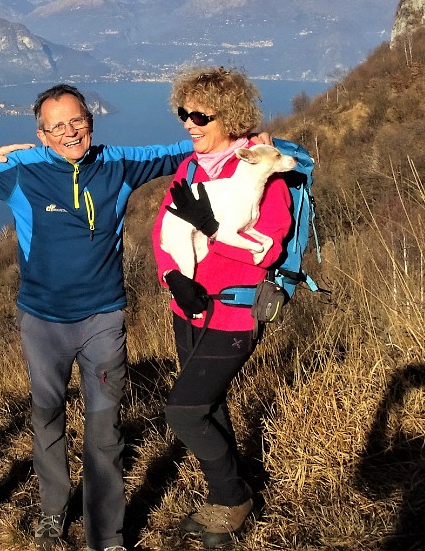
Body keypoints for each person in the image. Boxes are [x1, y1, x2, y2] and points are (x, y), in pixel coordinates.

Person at [0, 83, 194, 551]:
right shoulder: (21, 172)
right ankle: (52, 512)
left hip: (103, 318)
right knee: (48, 421)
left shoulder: (118, 163)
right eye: (57, 125)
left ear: (91, 121)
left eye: (76, 121)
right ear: (41, 134)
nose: (69, 132)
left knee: (104, 431)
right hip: (42, 323)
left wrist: (244, 140)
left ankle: (107, 536)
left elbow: (184, 151)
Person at [151, 67, 292, 549]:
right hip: (188, 309)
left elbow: (267, 249)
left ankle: (234, 498)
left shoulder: (262, 174)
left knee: (185, 412)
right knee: (210, 406)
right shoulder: (191, 168)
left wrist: (210, 228)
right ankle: (223, 500)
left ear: (229, 117)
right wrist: (171, 276)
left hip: (234, 312)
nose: (189, 123)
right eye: (182, 113)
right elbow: (163, 230)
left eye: (200, 115)